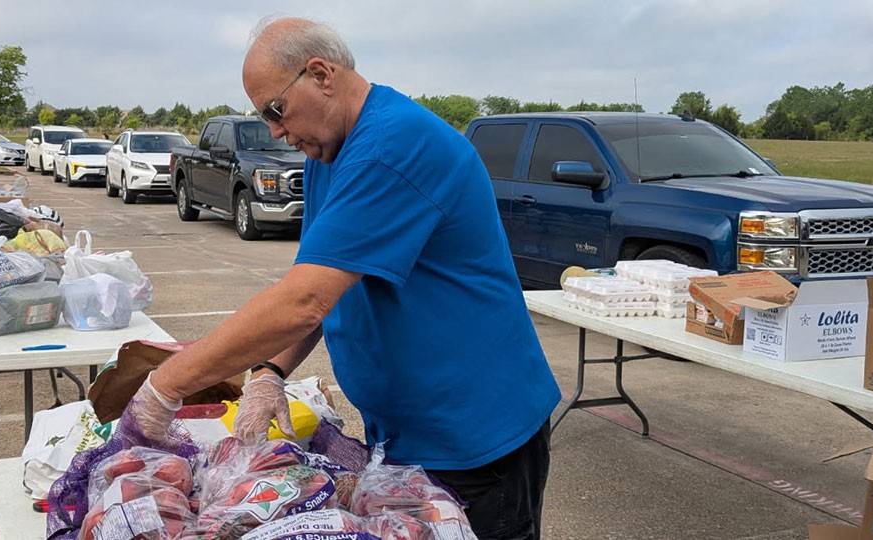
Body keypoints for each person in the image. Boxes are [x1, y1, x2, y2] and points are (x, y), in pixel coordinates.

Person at [126, 17, 561, 539]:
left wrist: (165, 387)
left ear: (320, 74)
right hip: (407, 432)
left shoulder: (393, 145)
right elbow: (320, 284)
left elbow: (304, 301)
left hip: (475, 437)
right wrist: (269, 372)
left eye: (275, 111)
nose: (276, 132)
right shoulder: (329, 151)